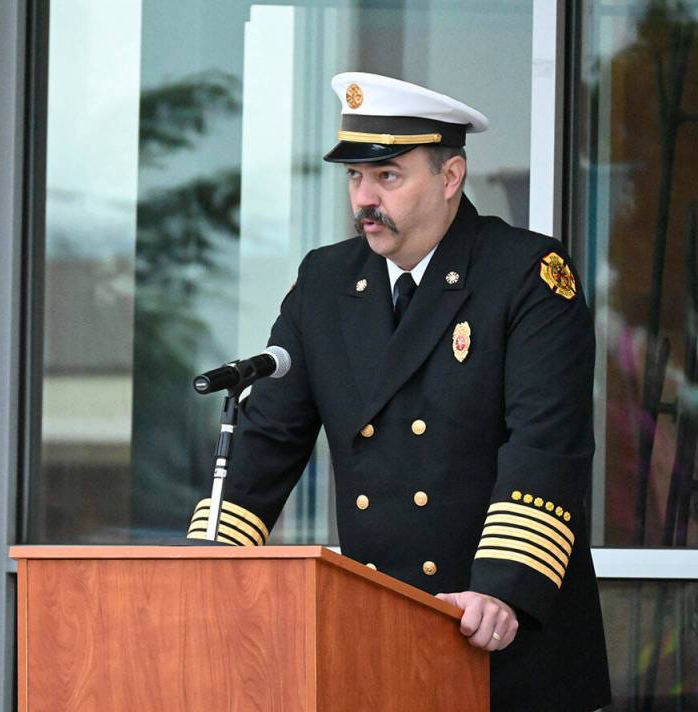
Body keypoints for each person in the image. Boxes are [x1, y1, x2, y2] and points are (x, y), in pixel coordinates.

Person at [186, 73, 611, 711]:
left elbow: (546, 443)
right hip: (378, 635)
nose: (365, 198)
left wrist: (501, 588)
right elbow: (269, 436)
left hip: (497, 630)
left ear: (451, 176)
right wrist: (202, 571)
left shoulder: (526, 274)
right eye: (356, 177)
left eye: (388, 176)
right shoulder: (325, 281)